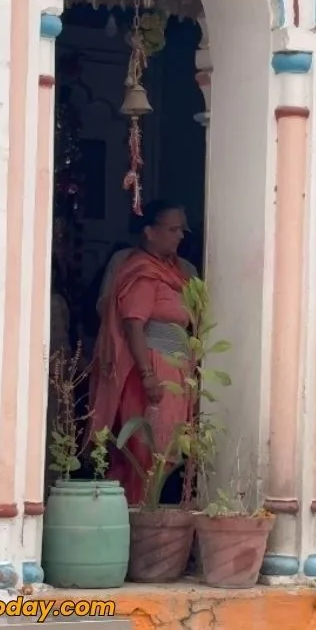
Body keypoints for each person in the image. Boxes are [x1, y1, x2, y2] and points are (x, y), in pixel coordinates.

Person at [88, 200, 195, 505]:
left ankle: (147, 521)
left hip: (173, 371)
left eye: (182, 230)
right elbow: (134, 326)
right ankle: (136, 525)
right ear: (149, 231)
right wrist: (148, 375)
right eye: (173, 229)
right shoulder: (143, 271)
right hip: (152, 373)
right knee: (146, 452)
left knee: (167, 453)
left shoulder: (177, 272)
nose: (180, 236)